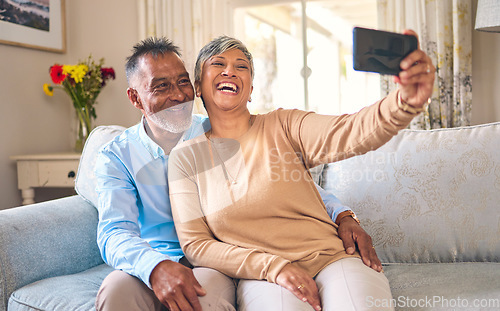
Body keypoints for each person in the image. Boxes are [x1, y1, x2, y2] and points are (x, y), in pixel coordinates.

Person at [94, 37, 378, 311]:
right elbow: (113, 231)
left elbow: (283, 184)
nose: (179, 95)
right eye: (161, 87)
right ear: (135, 98)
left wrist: (342, 215)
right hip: (155, 258)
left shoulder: (217, 130)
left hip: (216, 260)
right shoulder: (116, 155)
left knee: (202, 295)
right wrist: (153, 266)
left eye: (183, 82)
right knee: (116, 289)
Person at [168, 32, 435, 311]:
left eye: (241, 66)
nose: (230, 71)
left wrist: (405, 101)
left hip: (334, 257)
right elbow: (196, 245)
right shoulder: (186, 158)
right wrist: (274, 267)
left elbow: (348, 132)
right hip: (266, 276)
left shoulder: (283, 124)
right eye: (218, 63)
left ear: (250, 88)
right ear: (198, 85)